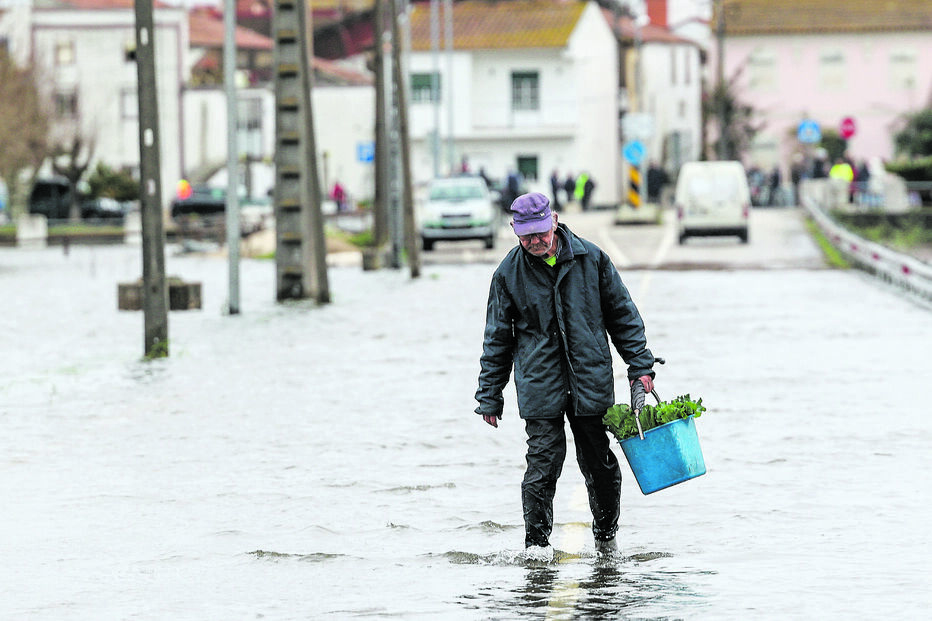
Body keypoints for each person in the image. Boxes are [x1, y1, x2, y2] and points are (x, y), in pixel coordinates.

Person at [474, 192, 656, 558]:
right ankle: (536, 550)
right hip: (540, 387)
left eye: (540, 233)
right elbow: (497, 339)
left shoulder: (593, 259)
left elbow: (623, 316)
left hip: (590, 382)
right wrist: (489, 394)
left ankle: (606, 539)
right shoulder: (507, 275)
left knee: (599, 464)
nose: (535, 241)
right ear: (514, 231)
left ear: (554, 221)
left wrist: (640, 367)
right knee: (542, 466)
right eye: (526, 236)